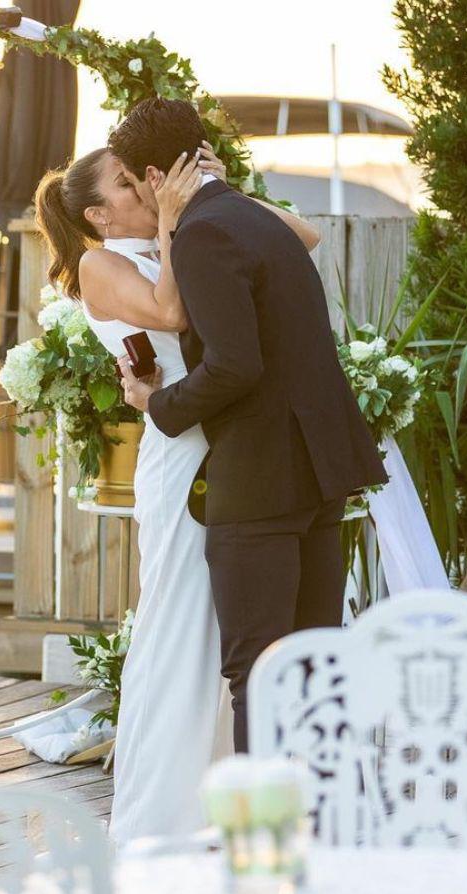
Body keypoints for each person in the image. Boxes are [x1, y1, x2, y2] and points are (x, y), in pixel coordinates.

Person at [33, 143, 320, 844]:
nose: (149, 187)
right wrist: (173, 218)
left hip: (234, 447)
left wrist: (220, 190)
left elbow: (304, 238)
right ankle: (165, 819)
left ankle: (236, 800)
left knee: (238, 630)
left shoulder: (193, 230)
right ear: (98, 213)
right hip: (179, 451)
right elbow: (171, 314)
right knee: (183, 624)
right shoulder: (101, 265)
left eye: (149, 177)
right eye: (130, 185)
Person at [111, 97, 388, 753]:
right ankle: (315, 825)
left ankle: (262, 841)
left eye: (129, 181)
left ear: (154, 176)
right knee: (313, 665)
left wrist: (158, 405)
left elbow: (236, 366)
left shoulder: (203, 234)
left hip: (261, 481)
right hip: (318, 473)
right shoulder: (261, 222)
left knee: (258, 672)